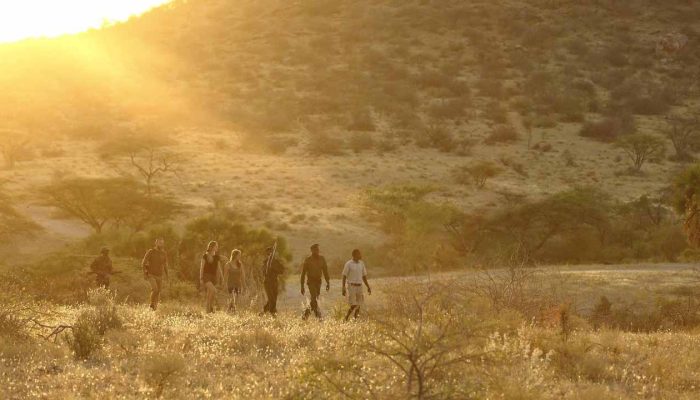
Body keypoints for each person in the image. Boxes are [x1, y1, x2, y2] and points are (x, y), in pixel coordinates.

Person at [300, 243, 330, 320]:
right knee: (314, 297)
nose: (317, 251)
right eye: (315, 250)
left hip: (318, 282)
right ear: (312, 250)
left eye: (318, 250)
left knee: (314, 299)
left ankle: (305, 316)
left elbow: (325, 271)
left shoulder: (322, 259)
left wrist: (328, 282)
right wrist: (302, 286)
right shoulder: (308, 260)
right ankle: (319, 317)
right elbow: (303, 273)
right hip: (311, 282)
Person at [342, 249, 371, 321]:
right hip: (351, 286)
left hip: (360, 286)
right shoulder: (348, 264)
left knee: (359, 304)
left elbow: (364, 276)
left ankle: (355, 319)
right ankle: (346, 317)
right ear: (354, 255)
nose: (360, 255)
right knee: (353, 304)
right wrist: (343, 287)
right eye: (359, 254)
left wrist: (368, 286)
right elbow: (344, 275)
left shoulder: (362, 264)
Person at [142, 238, 169, 311]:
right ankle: (151, 304)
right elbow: (144, 262)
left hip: (160, 275)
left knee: (158, 292)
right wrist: (144, 273)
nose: (161, 244)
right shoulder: (151, 252)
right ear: (156, 243)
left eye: (162, 243)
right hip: (151, 274)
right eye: (159, 243)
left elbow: (165, 265)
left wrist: (167, 275)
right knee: (155, 289)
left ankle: (155, 308)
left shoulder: (164, 253)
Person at [200, 241, 224, 313]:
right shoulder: (205, 256)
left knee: (210, 294)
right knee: (214, 290)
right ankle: (210, 307)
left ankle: (208, 310)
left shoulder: (216, 257)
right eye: (216, 246)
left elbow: (219, 268)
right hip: (206, 276)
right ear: (212, 247)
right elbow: (202, 267)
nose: (217, 248)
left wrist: (222, 278)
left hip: (213, 277)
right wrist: (201, 278)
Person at [262, 246, 285, 315]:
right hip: (267, 282)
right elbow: (264, 272)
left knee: (274, 298)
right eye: (268, 253)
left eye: (271, 253)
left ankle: (263, 312)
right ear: (267, 254)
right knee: (271, 298)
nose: (270, 254)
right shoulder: (265, 262)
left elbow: (282, 271)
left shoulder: (277, 262)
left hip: (275, 282)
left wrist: (275, 268)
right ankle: (273, 314)